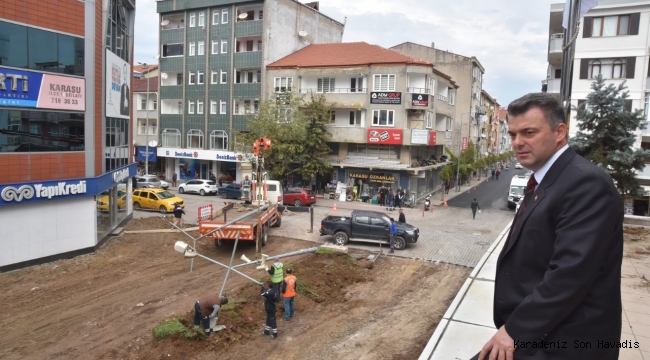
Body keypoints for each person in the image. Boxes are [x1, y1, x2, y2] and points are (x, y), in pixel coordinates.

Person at [472, 93, 623, 360]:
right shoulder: (548, 178)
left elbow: (570, 274)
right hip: (540, 334)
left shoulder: (585, 183)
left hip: (564, 342)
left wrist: (516, 330)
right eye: (513, 134)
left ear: (559, 132)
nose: (518, 143)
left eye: (529, 132)